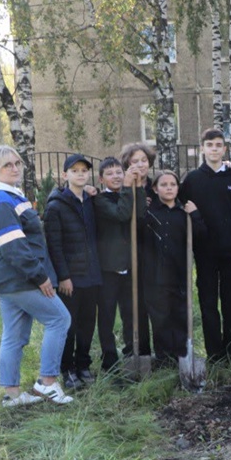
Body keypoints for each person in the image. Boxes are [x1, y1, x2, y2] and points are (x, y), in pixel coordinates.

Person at [0, 145, 73, 407]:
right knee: (59, 319)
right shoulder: (0, 198)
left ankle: (12, 395)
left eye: (17, 163)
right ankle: (47, 384)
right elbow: (14, 247)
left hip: (8, 278)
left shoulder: (5, 195)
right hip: (20, 277)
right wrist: (40, 276)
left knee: (14, 336)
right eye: (7, 165)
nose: (15, 168)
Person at [179, 128, 231, 361]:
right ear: (202, 148)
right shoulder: (192, 179)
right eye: (209, 145)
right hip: (205, 252)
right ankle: (214, 353)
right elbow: (177, 206)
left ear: (224, 149)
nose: (214, 149)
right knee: (208, 304)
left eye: (218, 145)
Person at [44, 153, 103, 389]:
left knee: (87, 323)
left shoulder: (91, 201)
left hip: (92, 274)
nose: (80, 174)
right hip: (70, 278)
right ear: (65, 175)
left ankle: (83, 364)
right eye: (75, 170)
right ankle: (67, 369)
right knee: (69, 325)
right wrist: (63, 277)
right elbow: (54, 246)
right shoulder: (56, 206)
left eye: (84, 170)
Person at [143, 171, 205, 365]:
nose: (169, 188)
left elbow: (201, 236)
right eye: (164, 185)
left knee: (180, 314)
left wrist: (195, 214)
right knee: (160, 317)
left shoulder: (184, 213)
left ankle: (181, 355)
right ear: (155, 189)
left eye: (173, 184)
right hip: (155, 274)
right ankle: (163, 357)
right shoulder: (150, 213)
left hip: (179, 273)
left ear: (178, 188)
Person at [94, 155, 142, 372]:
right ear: (101, 179)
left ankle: (132, 353)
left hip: (129, 265)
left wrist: (136, 189)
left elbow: (139, 215)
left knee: (130, 313)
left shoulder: (128, 193)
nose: (115, 176)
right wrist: (128, 188)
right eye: (109, 173)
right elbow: (121, 214)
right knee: (107, 315)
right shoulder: (100, 200)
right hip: (108, 267)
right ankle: (109, 360)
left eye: (119, 172)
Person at [119, 143, 154, 361]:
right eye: (135, 161)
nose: (140, 165)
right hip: (129, 253)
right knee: (131, 306)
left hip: (152, 251)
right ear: (127, 164)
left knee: (153, 302)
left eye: (144, 160)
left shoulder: (157, 186)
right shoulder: (121, 186)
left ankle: (159, 351)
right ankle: (135, 351)